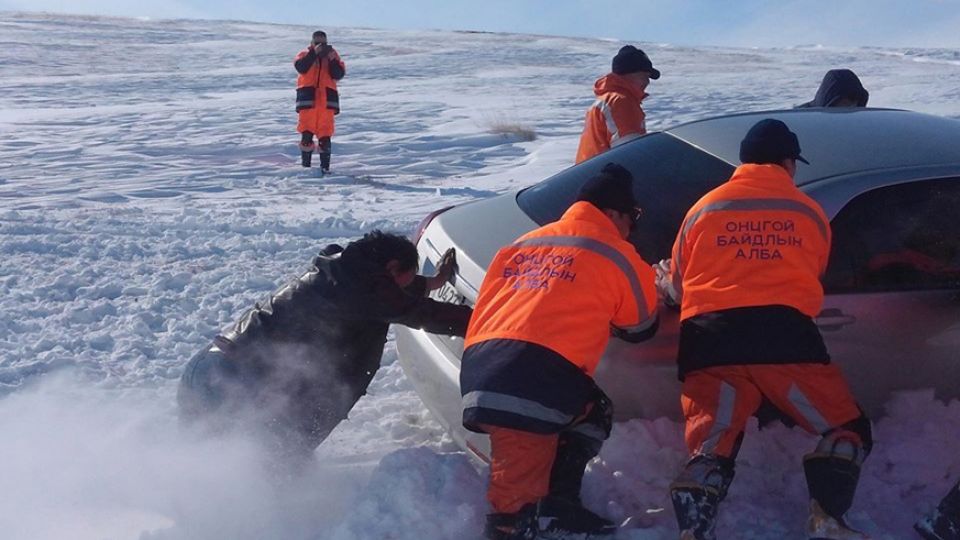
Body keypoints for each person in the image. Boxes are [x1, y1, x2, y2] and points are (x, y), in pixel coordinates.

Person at [657, 119, 873, 540]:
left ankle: (694, 528)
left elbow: (678, 285)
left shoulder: (704, 206)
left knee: (712, 444)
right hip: (783, 340)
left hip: (708, 340)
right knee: (847, 429)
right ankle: (827, 517)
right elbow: (815, 271)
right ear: (787, 162)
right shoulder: (808, 210)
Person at [459, 163, 660, 539]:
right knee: (513, 502)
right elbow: (641, 327)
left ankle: (555, 506)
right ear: (614, 212)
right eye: (632, 217)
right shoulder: (618, 253)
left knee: (591, 412)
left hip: (483, 364)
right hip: (533, 375)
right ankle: (518, 523)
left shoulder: (524, 242)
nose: (632, 226)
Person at [177, 231, 472, 460]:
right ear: (392, 268)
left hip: (206, 369)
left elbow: (392, 293)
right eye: (403, 281)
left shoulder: (343, 266)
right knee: (269, 473)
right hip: (237, 385)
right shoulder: (370, 292)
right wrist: (492, 318)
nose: (403, 289)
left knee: (199, 462)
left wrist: (431, 283)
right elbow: (419, 312)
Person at [575, 45, 660, 164]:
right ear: (631, 73)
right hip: (608, 176)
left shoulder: (606, 100)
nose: (647, 82)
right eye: (645, 76)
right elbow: (629, 153)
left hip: (588, 175)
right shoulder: (621, 102)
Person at [294, 30, 346, 171]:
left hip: (326, 102)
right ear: (312, 42)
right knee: (306, 133)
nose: (320, 45)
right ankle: (306, 168)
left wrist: (331, 59)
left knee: (325, 135)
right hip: (308, 101)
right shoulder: (305, 54)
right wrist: (313, 54)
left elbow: (339, 74)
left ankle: (325, 169)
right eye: (317, 42)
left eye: (323, 42)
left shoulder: (333, 55)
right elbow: (301, 67)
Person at [797, 68, 869, 108]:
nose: (851, 107)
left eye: (854, 102)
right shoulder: (800, 119)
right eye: (844, 103)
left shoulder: (859, 124)